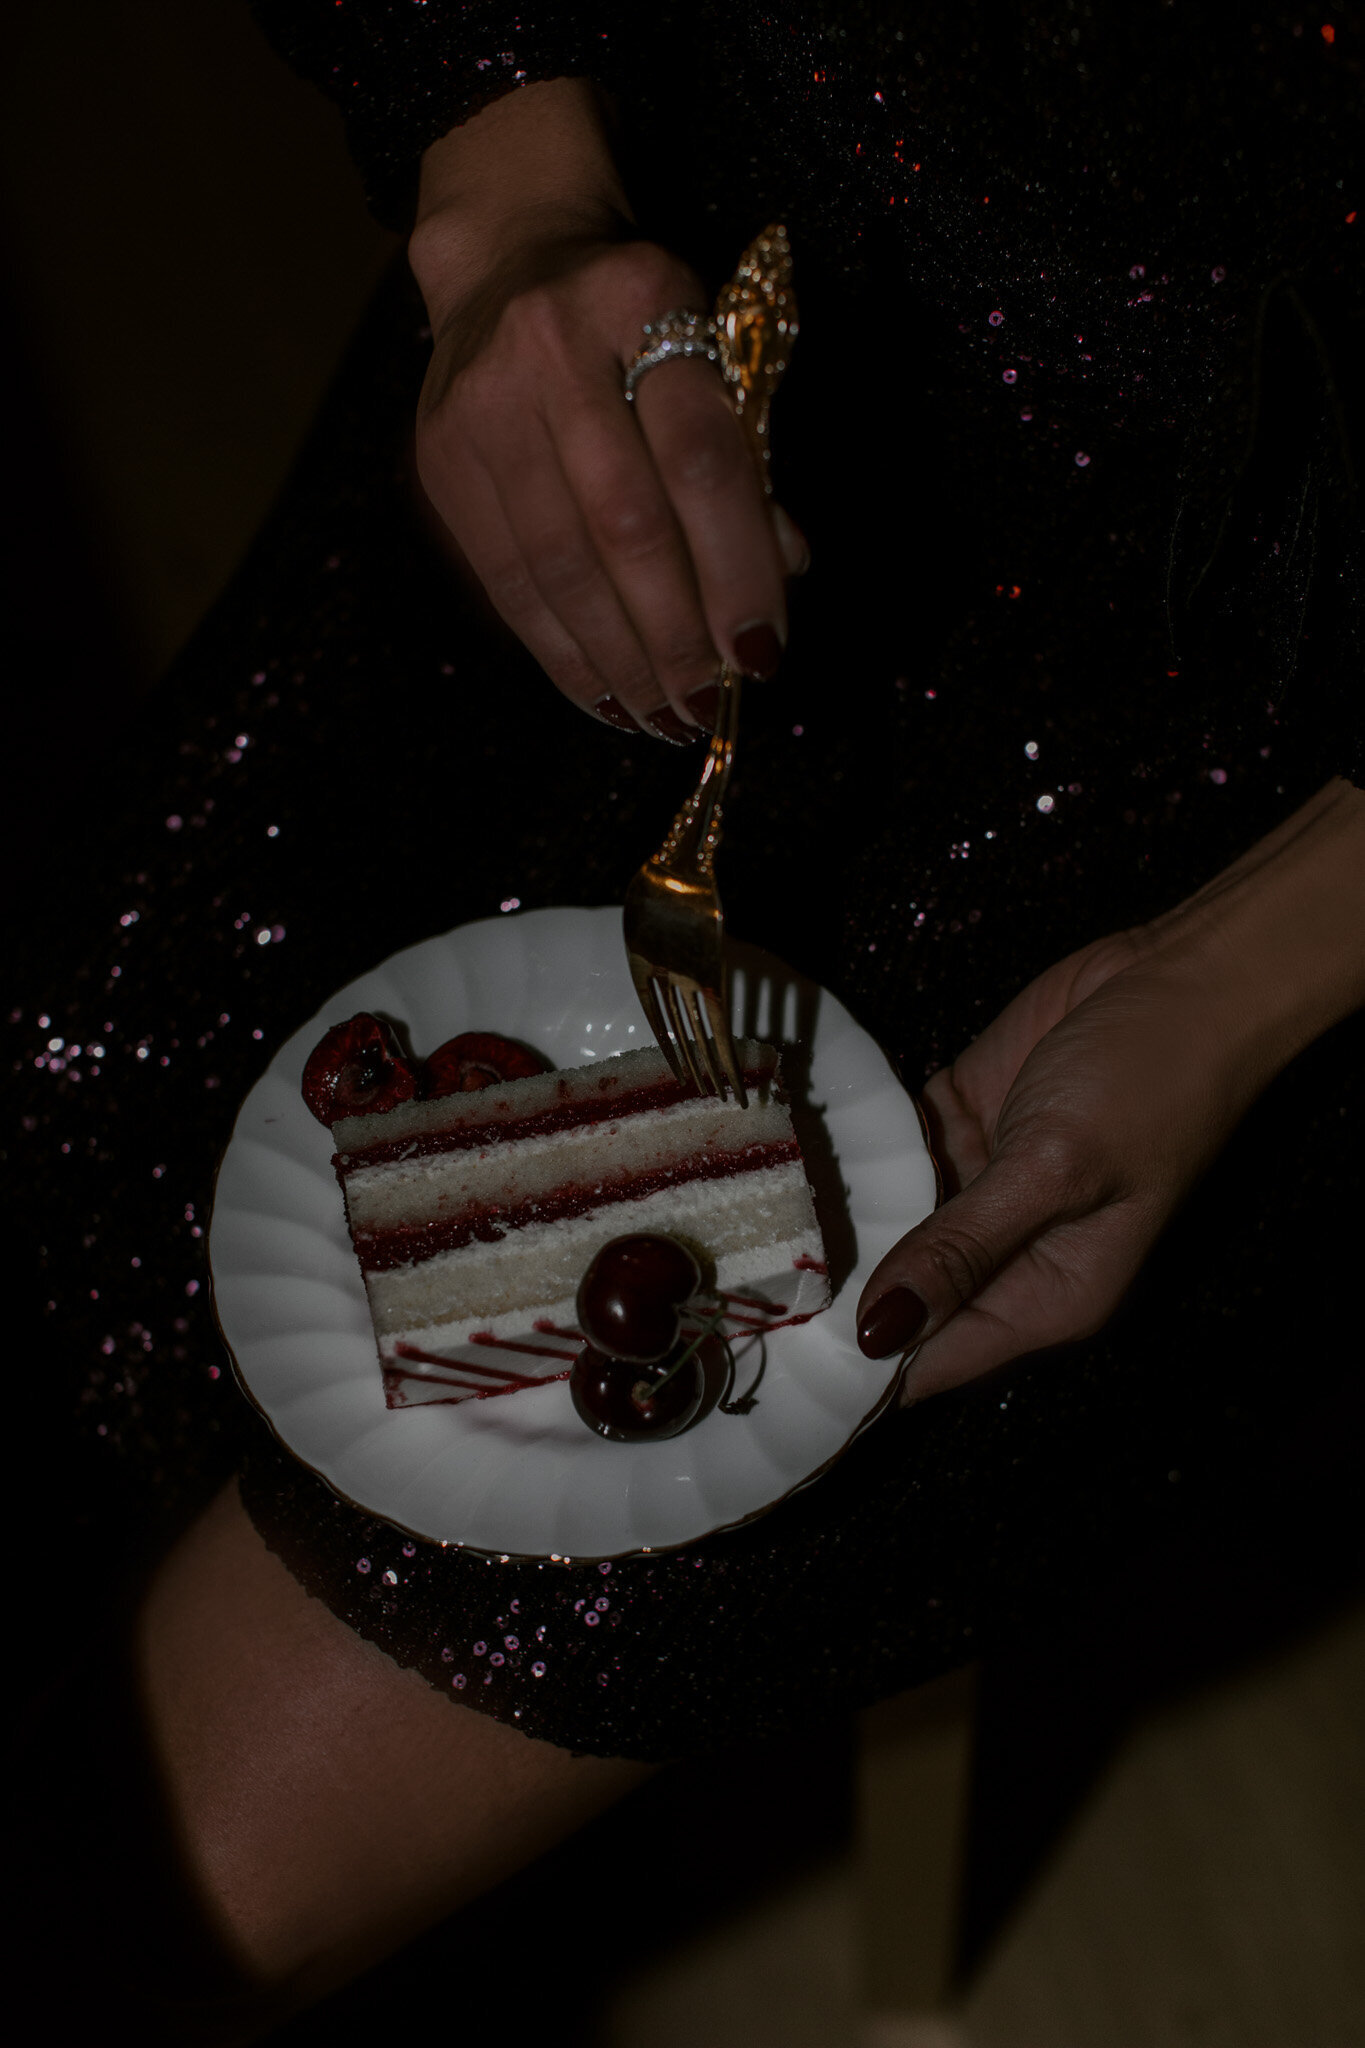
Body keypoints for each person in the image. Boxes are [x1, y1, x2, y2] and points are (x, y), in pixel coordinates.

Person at [10, 4, 1362, 2032]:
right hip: (652, 381)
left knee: (163, 1890)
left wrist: (1237, 972)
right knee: (76, 1157)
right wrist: (506, 189)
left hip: (1223, 766)